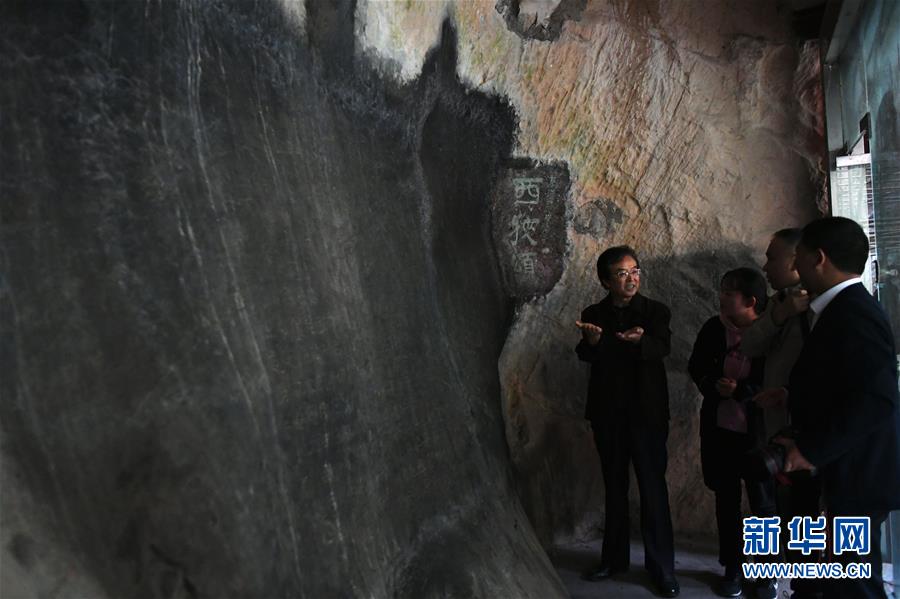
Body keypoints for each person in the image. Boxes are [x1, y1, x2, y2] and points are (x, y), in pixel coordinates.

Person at [777, 217, 900, 599]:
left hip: (857, 476)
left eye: (798, 256)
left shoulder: (853, 313)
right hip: (846, 471)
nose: (794, 265)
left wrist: (811, 450)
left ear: (819, 258)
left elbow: (876, 399)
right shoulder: (838, 309)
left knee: (854, 584)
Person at [575, 245, 679, 598]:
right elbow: (586, 354)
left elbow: (662, 347)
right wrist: (592, 342)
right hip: (608, 414)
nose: (631, 278)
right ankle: (613, 560)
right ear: (606, 281)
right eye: (621, 273)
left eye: (635, 271)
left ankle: (662, 569)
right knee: (614, 488)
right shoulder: (593, 314)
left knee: (653, 490)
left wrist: (641, 341)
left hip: (647, 414)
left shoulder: (655, 311)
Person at [742, 228, 822, 599]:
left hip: (808, 438)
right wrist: (779, 314)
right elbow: (749, 344)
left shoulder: (822, 307)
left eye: (772, 257)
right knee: (782, 514)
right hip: (777, 432)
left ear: (796, 261)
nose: (765, 266)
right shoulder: (781, 303)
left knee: (807, 526)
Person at [689, 268, 777, 598]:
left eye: (729, 293)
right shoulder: (714, 328)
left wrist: (741, 391)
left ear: (751, 301)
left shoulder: (771, 333)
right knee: (726, 502)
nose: (722, 297)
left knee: (763, 506)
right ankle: (733, 568)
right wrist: (713, 384)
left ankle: (766, 572)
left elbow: (777, 379)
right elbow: (696, 366)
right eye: (722, 290)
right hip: (720, 431)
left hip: (758, 435)